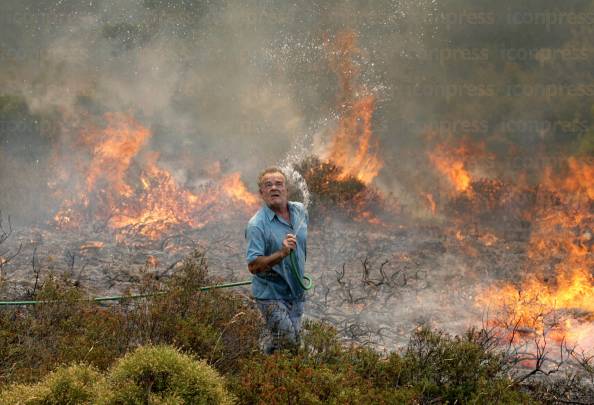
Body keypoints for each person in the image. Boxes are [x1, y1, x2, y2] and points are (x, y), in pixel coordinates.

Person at [245, 167, 309, 354]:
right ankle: (273, 377)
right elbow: (253, 266)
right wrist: (281, 253)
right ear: (262, 193)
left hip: (296, 291)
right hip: (270, 294)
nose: (274, 188)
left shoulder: (300, 211)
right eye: (268, 185)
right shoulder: (257, 225)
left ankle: (263, 365)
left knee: (290, 340)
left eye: (279, 184)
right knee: (290, 342)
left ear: (286, 189)